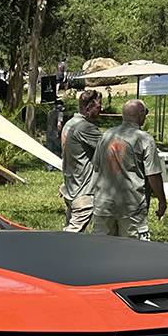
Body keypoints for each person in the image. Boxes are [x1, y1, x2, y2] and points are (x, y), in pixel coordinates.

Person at [90, 98, 166, 239]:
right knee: (133, 249)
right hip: (131, 206)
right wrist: (162, 200)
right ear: (140, 114)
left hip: (104, 203)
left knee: (101, 246)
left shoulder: (106, 135)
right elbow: (153, 174)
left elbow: (96, 167)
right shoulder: (144, 139)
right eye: (145, 113)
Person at [58, 90, 103, 232]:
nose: (101, 110)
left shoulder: (70, 123)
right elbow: (109, 148)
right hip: (83, 191)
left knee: (70, 233)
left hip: (71, 186)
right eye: (98, 106)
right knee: (72, 235)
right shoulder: (85, 127)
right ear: (88, 107)